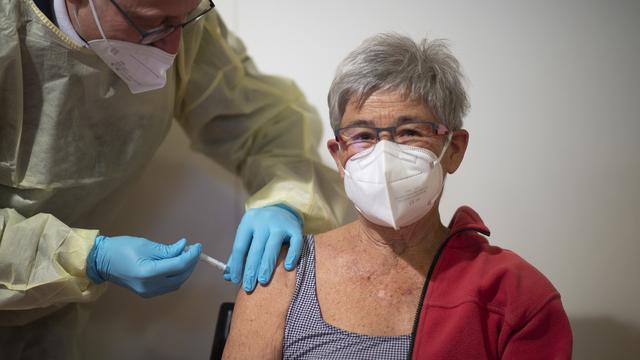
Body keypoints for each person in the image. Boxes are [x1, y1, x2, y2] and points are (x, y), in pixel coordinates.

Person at [0, 0, 350, 358]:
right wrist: (86, 256)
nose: (174, 47)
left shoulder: (179, 20)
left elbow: (263, 122)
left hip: (46, 321)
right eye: (152, 23)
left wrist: (285, 197)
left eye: (185, 19)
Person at [223, 33, 573, 359]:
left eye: (410, 132)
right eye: (363, 135)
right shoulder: (287, 273)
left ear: (454, 150)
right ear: (339, 156)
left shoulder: (515, 295)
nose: (385, 155)